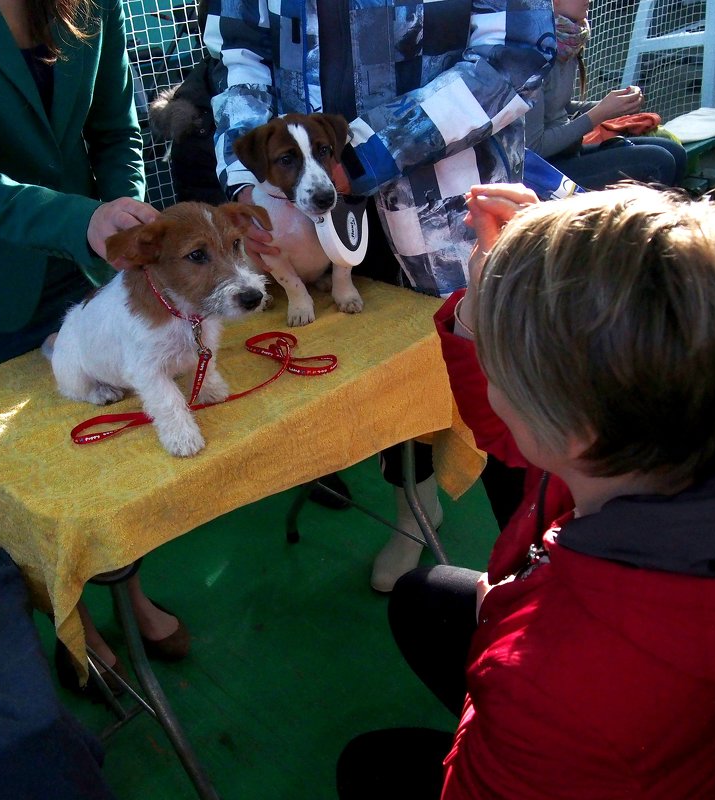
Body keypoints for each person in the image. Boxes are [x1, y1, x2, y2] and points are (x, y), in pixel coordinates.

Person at [336, 182, 715, 798]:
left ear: (573, 428)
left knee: (370, 765)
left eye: (499, 360)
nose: (489, 371)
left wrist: (500, 642)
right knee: (424, 598)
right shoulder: (657, 438)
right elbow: (514, 436)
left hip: (559, 717)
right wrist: (497, 296)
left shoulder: (550, 692)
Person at [203, 0, 556, 591]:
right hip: (307, 214)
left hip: (449, 207)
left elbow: (512, 53)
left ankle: (545, 563)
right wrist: (252, 181)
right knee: (383, 387)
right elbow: (237, 52)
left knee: (503, 382)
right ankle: (414, 515)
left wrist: (363, 154)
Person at [0, 0, 189, 696]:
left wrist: (122, 222)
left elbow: (115, 129)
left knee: (118, 449)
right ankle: (79, 630)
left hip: (94, 261)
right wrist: (83, 220)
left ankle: (130, 596)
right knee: (32, 480)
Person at [525, 0, 687, 190]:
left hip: (567, 152)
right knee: (660, 162)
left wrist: (615, 106)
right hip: (540, 172)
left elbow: (558, 107)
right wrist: (599, 114)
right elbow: (534, 148)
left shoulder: (567, 41)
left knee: (674, 151)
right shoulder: (531, 54)